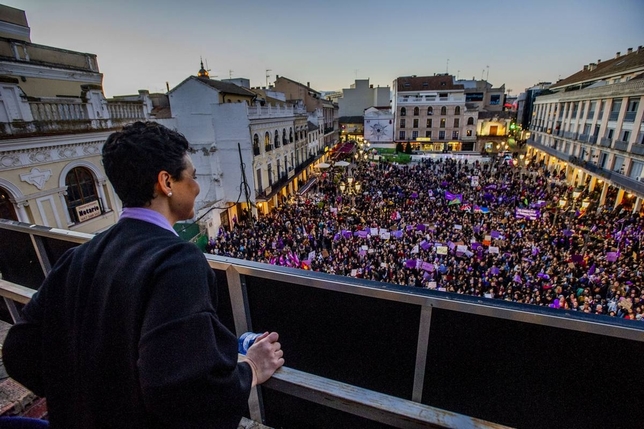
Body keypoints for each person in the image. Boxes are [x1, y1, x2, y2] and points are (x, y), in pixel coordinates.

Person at [2, 122, 284, 428]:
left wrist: (84, 398)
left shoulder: (78, 256)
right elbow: (186, 389)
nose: (198, 186)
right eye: (193, 176)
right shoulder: (177, 260)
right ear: (166, 182)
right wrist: (252, 368)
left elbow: (19, 352)